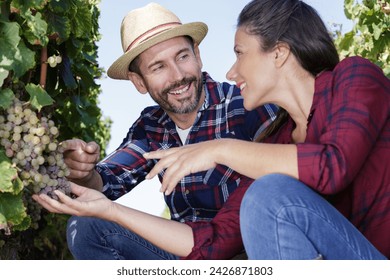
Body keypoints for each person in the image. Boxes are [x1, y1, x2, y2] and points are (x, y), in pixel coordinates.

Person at [144, 0, 390, 259]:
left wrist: (219, 148)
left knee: (266, 194)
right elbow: (216, 240)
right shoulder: (275, 145)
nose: (230, 72)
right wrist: (109, 211)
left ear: (278, 53)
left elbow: (332, 165)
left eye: (239, 53)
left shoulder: (354, 77)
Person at [32, 2, 277, 260]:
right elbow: (106, 184)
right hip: (183, 255)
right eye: (158, 67)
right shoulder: (150, 126)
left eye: (182, 56)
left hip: (246, 254)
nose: (178, 75)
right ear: (139, 81)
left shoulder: (245, 105)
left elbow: (296, 173)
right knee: (85, 227)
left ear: (197, 54)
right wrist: (83, 171)